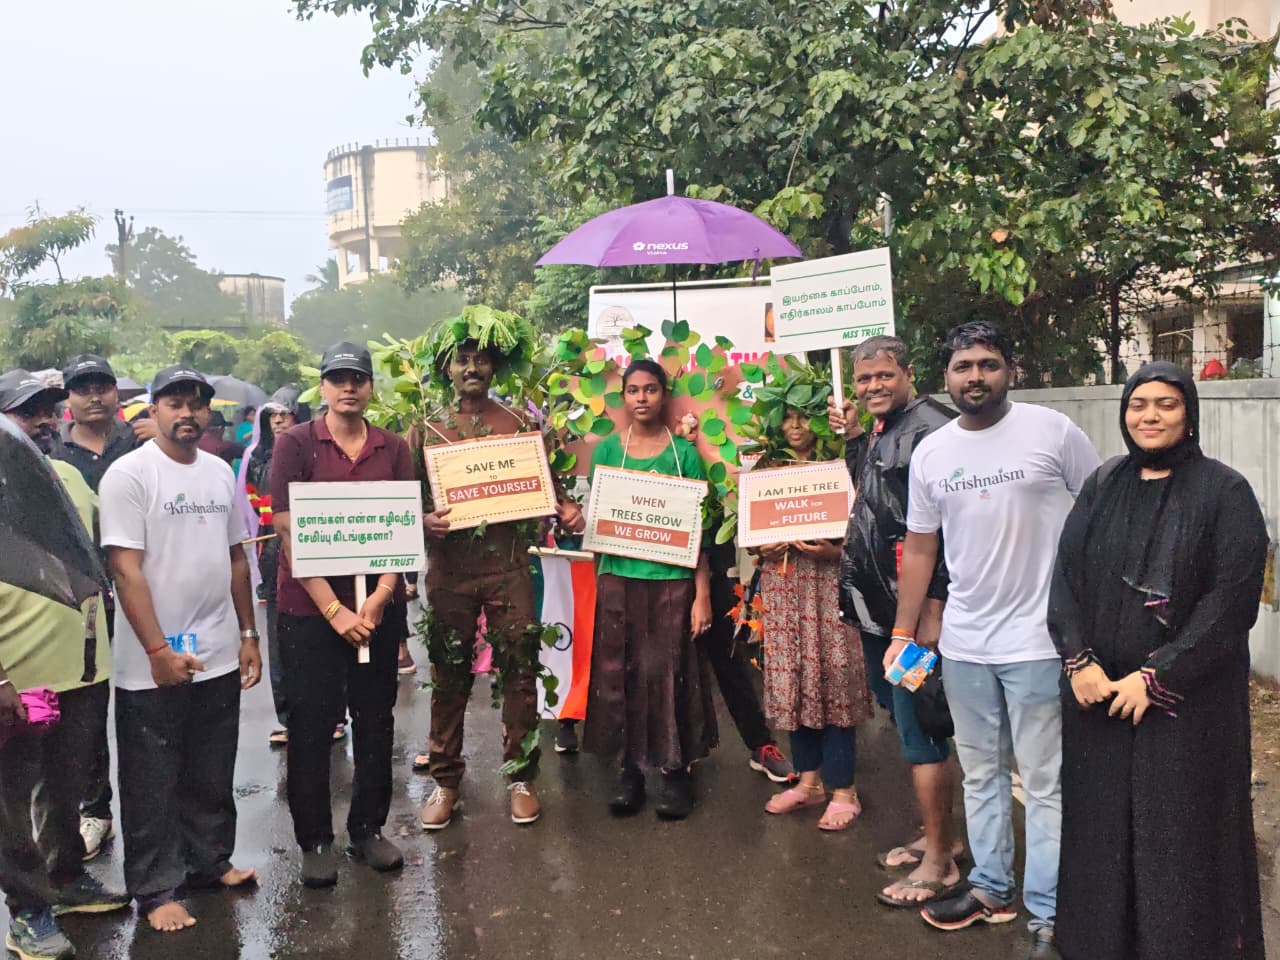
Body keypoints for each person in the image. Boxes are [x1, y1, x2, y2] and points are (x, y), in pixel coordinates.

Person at [891, 321, 1099, 959]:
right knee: (980, 775)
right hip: (965, 645)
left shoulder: (1052, 432)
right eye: (962, 366)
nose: (975, 376)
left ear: (1010, 369)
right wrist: (902, 632)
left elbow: (1100, 515)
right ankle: (990, 889)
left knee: (1043, 782)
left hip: (1040, 641)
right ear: (945, 378)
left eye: (987, 363)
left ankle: (1049, 912)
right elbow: (921, 548)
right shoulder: (933, 452)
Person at [1048, 362, 1267, 960]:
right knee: (1100, 832)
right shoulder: (1102, 484)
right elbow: (1065, 578)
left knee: (1179, 839)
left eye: (1166, 404)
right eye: (1138, 404)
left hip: (1185, 710)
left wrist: (1157, 676)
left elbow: (1231, 602)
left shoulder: (1225, 492)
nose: (1150, 416)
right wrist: (1078, 662)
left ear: (1189, 413)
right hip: (1099, 702)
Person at [99, 365, 261, 933]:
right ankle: (156, 888)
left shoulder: (218, 471)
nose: (187, 413)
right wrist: (156, 650)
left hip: (216, 648)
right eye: (174, 403)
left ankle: (209, 861)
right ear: (153, 410)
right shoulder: (129, 475)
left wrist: (248, 634)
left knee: (211, 767)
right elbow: (125, 568)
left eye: (197, 404)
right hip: (153, 660)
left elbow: (236, 556)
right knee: (152, 775)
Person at [416, 327, 585, 830]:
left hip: (508, 566)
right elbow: (404, 499)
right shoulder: (427, 428)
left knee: (519, 669)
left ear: (495, 368)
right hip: (449, 571)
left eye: (481, 360)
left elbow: (549, 487)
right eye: (462, 360)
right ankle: (446, 781)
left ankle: (521, 776)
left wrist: (566, 508)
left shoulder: (519, 425)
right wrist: (422, 520)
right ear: (447, 369)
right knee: (449, 673)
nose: (472, 368)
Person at [270, 342, 414, 887]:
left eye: (358, 378)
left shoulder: (393, 448)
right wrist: (334, 610)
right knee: (311, 723)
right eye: (338, 378)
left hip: (376, 609)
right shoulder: (295, 444)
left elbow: (401, 530)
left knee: (376, 719)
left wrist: (379, 598)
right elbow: (288, 533)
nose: (348, 387)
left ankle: (367, 829)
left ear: (371, 386)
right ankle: (315, 840)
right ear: (323, 387)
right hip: (310, 612)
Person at [829, 335, 963, 906]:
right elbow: (873, 495)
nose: (873, 386)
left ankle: (939, 863)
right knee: (910, 718)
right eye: (864, 379)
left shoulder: (934, 429)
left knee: (920, 728)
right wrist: (855, 439)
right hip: (881, 612)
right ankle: (941, 836)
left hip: (913, 618)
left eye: (884, 375)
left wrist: (932, 610)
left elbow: (945, 532)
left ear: (908, 372)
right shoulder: (887, 427)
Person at [0, 370, 129, 960]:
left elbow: (103, 557)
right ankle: (27, 910)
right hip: (17, 676)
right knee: (9, 800)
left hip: (83, 670)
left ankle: (67, 878)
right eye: (29, 413)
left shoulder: (72, 478)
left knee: (67, 785)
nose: (45, 423)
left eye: (50, 411)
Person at [584, 358, 717, 820]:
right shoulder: (606, 451)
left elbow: (699, 532)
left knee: (669, 675)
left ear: (664, 395)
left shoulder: (684, 455)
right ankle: (629, 772)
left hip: (671, 583)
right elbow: (597, 522)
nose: (642, 398)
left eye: (651, 389)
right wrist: (601, 580)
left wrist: (702, 595)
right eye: (633, 390)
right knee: (618, 676)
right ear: (623, 396)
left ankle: (675, 772)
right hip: (618, 580)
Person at [51, 353, 154, 863]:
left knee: (147, 701)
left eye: (103, 386)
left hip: (141, 589)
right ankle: (95, 809)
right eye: (83, 387)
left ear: (117, 393)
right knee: (87, 710)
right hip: (81, 600)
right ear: (68, 398)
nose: (94, 396)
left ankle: (152, 806)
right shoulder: (51, 453)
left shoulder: (140, 444)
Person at [755, 407, 872, 830]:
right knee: (794, 680)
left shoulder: (841, 464)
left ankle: (844, 790)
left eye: (804, 417)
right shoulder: (766, 468)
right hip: (784, 588)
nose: (795, 426)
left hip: (829, 585)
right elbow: (751, 532)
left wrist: (837, 552)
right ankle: (808, 783)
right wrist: (761, 548)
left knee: (834, 678)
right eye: (786, 418)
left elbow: (869, 527)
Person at [241, 386, 310, 746]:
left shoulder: (314, 453)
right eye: (273, 416)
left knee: (317, 632)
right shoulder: (256, 458)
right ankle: (287, 716)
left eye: (286, 414)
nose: (280, 421)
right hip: (272, 550)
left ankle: (330, 715)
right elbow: (254, 501)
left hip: (313, 546)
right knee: (279, 634)